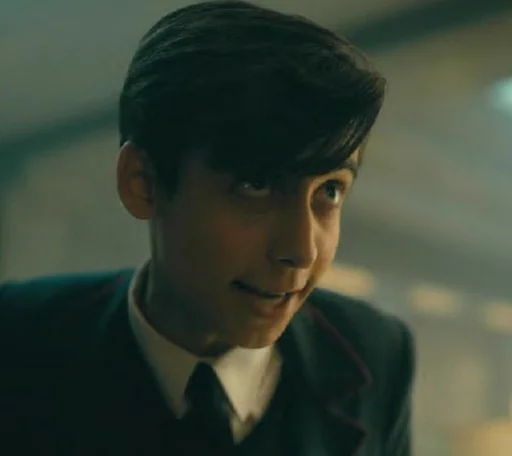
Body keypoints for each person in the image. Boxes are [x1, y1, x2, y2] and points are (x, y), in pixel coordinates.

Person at [0, 1, 415, 455]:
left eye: (330, 191)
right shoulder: (17, 342)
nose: (302, 250)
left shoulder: (377, 353)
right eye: (256, 184)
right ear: (142, 182)